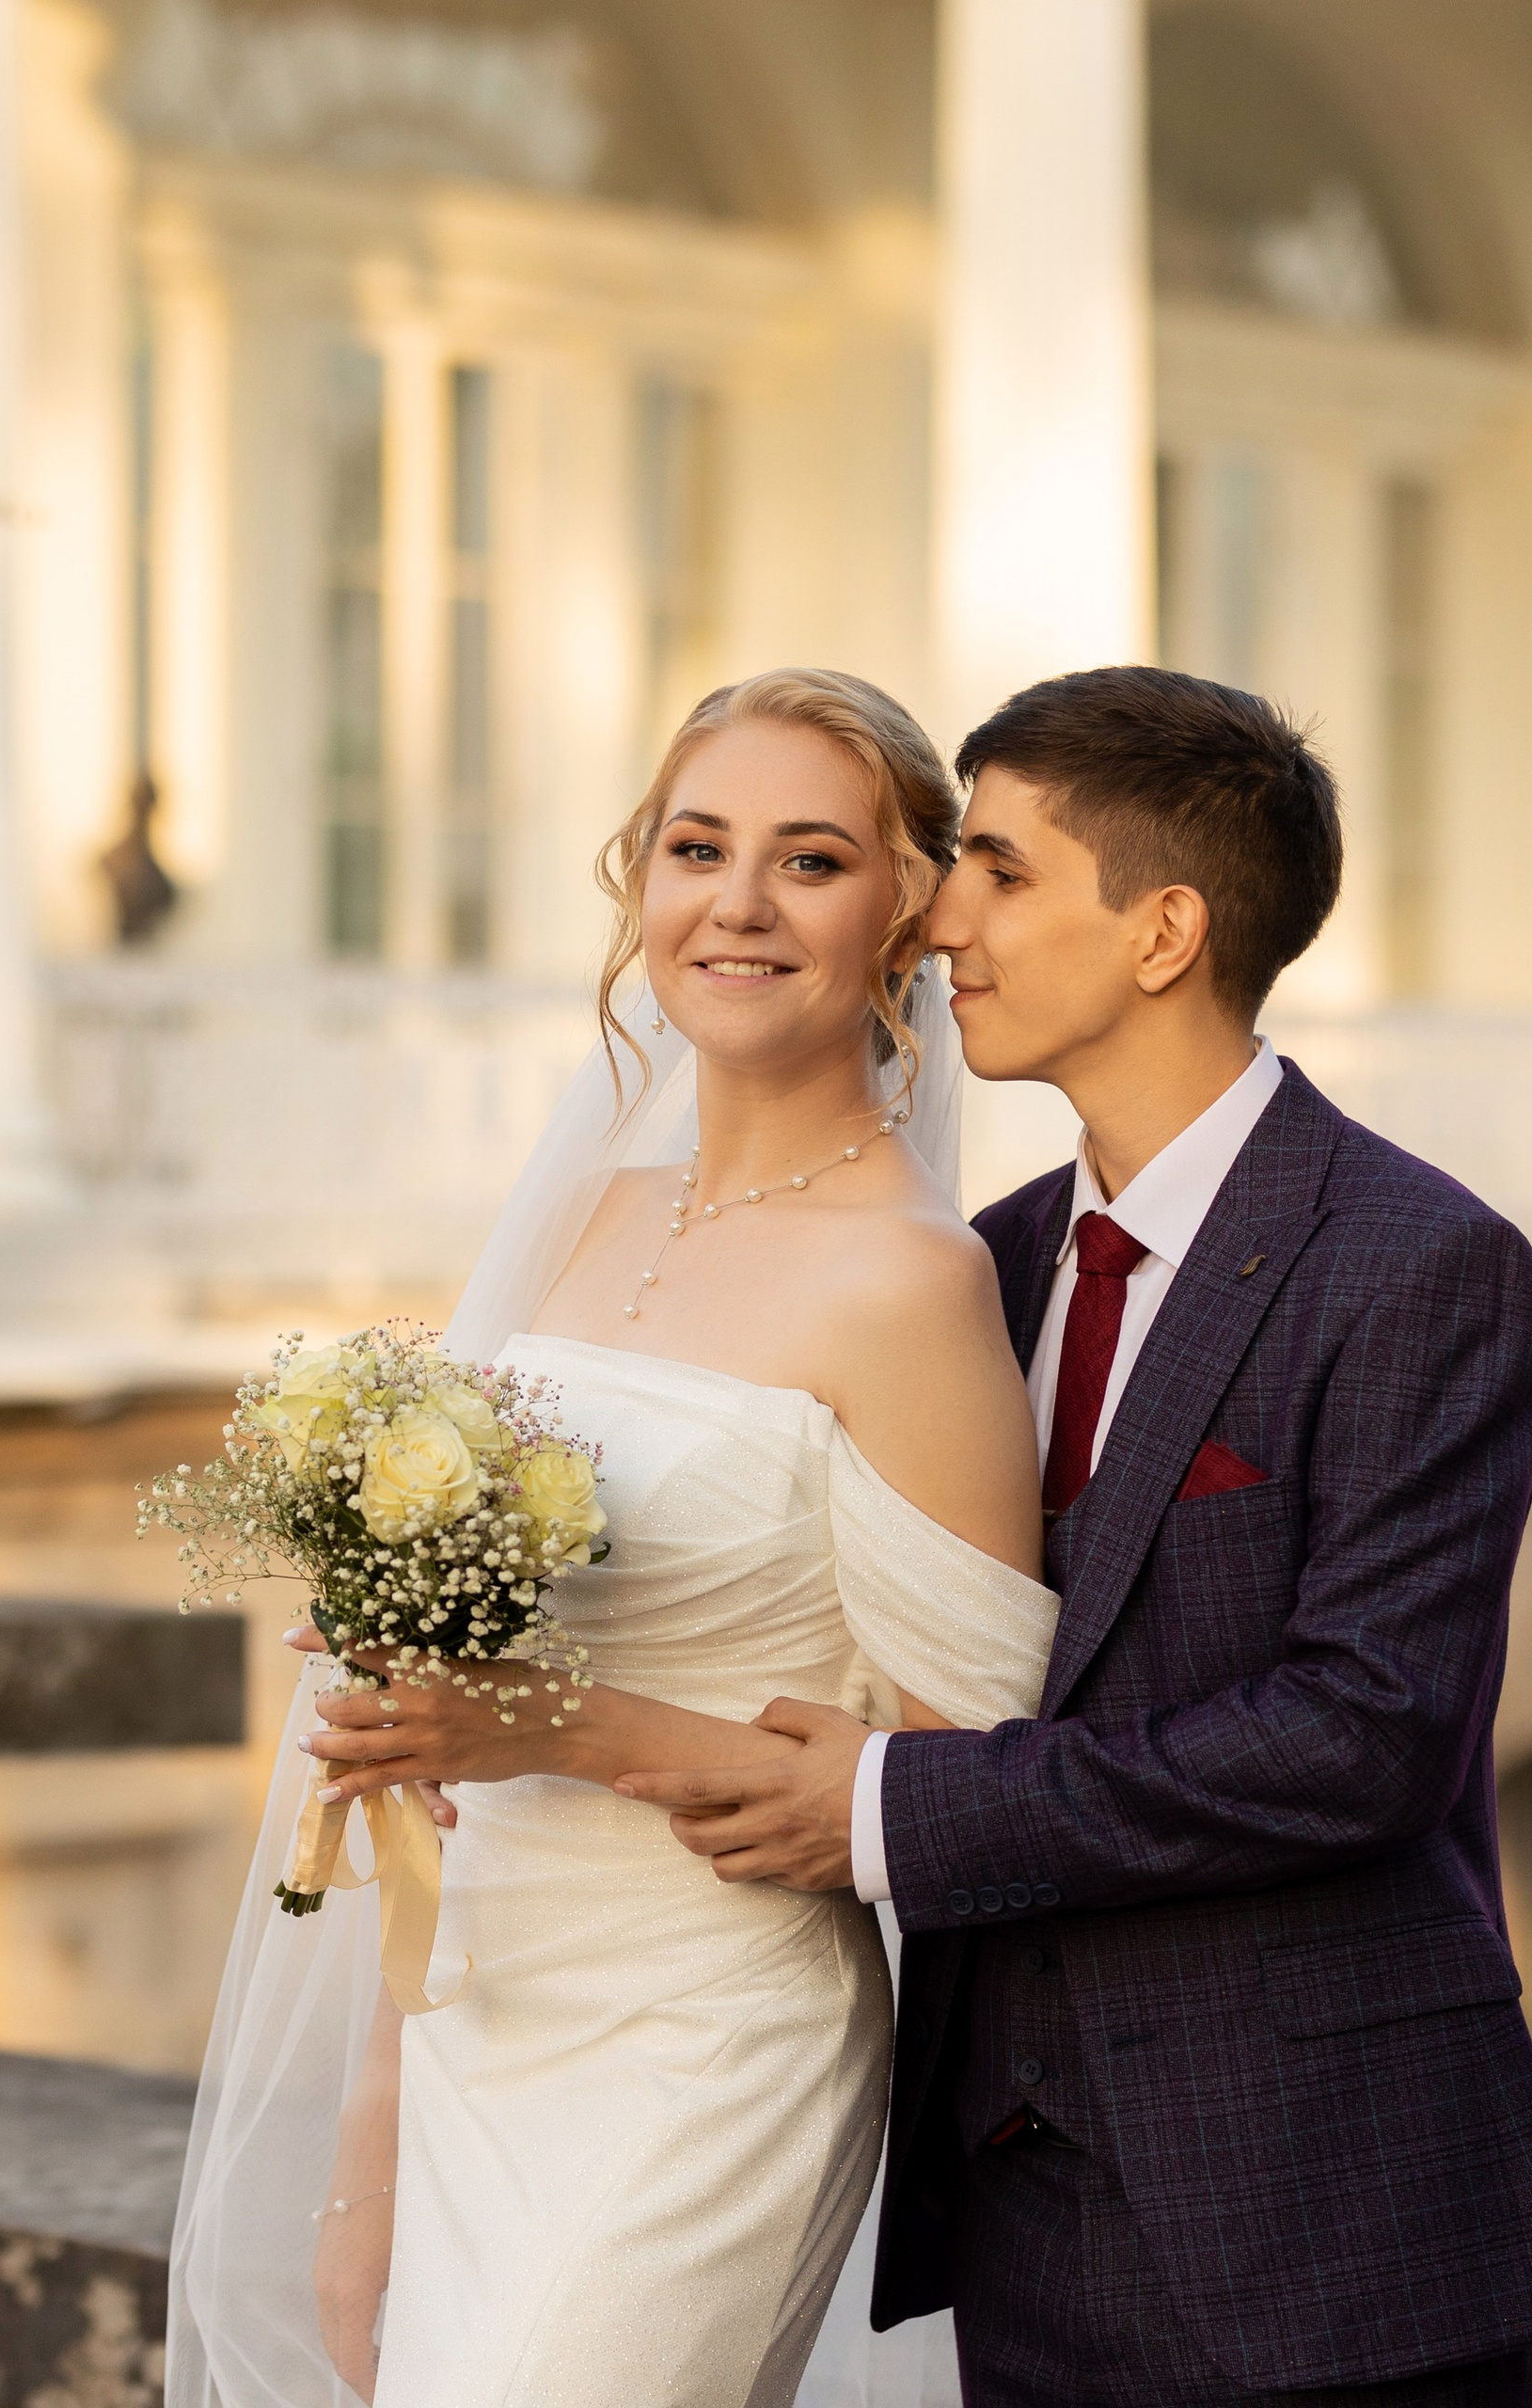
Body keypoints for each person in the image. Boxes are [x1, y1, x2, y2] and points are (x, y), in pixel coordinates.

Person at [629, 666, 1532, 2405]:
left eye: (998, 867)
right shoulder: (998, 1258)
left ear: (1165, 930)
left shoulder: (1421, 1263)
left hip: (1322, 2221)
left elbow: (1366, 1737)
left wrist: (892, 1806)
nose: (936, 910)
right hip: (1022, 2202)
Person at [167, 668, 1059, 2408]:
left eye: (810, 861)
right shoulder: (575, 1218)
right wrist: (373, 2138)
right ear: (637, 879)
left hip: (710, 2037)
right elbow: (436, 1761)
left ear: (905, 917)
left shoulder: (916, 1283)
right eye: (694, 846)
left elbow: (982, 1778)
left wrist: (561, 1728)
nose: (735, 904)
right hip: (477, 2006)